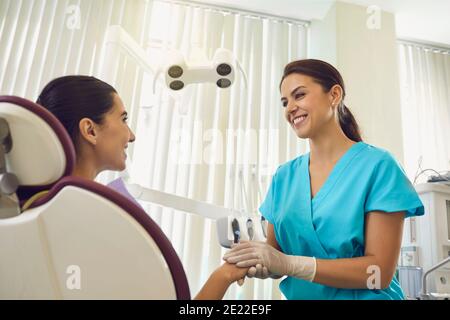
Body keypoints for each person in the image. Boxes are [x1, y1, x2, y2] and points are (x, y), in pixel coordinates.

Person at [224, 59, 424, 300]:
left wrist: (290, 264)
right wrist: (258, 261)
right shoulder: (283, 178)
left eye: (299, 95)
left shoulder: (379, 167)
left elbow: (378, 273)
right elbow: (275, 255)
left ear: (334, 95)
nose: (290, 108)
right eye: (285, 102)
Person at [36, 75, 247, 300]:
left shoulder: (36, 214)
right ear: (90, 130)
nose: (132, 135)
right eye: (123, 119)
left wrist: (225, 274)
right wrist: (223, 275)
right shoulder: (105, 220)